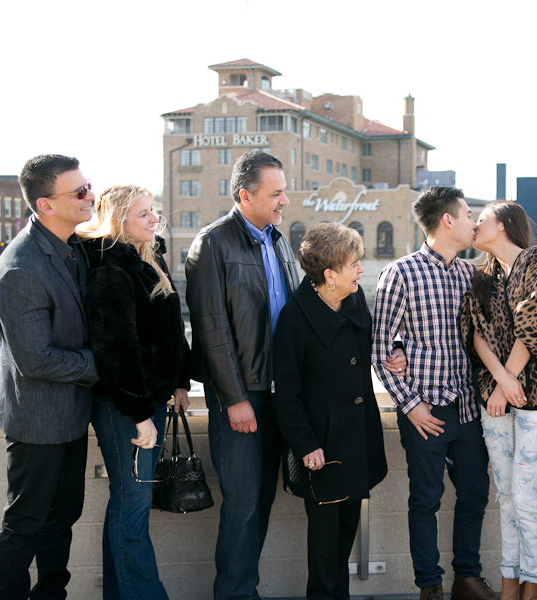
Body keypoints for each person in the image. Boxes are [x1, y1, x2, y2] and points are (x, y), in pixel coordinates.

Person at [185, 150, 301, 600]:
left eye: (284, 191)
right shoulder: (212, 242)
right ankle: (234, 594)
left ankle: (243, 590)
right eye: (275, 193)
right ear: (244, 195)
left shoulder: (278, 239)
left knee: (263, 501)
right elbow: (211, 328)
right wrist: (233, 398)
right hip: (242, 396)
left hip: (278, 393)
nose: (284, 201)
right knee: (242, 504)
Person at [373, 186, 498, 600]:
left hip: (467, 409)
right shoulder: (400, 273)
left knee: (475, 495)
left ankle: (467, 576)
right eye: (467, 215)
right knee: (424, 500)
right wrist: (411, 406)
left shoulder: (470, 275)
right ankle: (430, 585)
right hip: (424, 411)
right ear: (447, 220)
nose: (474, 223)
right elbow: (379, 349)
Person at [0, 154, 99, 599]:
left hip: (71, 414)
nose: (90, 196)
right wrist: (103, 365)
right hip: (36, 420)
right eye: (79, 192)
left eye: (88, 185)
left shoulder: (72, 246)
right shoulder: (21, 268)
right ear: (45, 205)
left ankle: (52, 595)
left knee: (62, 518)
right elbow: (36, 360)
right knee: (26, 524)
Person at [77, 184, 192, 599]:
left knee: (128, 505)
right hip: (124, 408)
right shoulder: (111, 268)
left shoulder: (147, 256)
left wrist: (181, 379)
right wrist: (139, 413)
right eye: (143, 214)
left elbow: (169, 331)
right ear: (118, 220)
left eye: (153, 211)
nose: (153, 219)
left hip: (149, 401)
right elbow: (116, 347)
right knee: (132, 508)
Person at [271, 223, 390, 600]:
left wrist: (397, 349)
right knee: (324, 551)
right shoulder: (295, 318)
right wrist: (306, 445)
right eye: (354, 263)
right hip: (321, 450)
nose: (361, 269)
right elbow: (285, 394)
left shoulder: (354, 301)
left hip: (356, 442)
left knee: (344, 539)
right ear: (329, 275)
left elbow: (375, 344)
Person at [459, 201, 537, 600]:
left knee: (525, 494)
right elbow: (475, 334)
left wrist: (509, 380)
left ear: (503, 225)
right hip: (496, 397)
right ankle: (509, 581)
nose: (474, 225)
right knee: (505, 497)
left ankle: (534, 582)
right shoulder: (482, 275)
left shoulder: (536, 261)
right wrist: (501, 382)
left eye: (481, 218)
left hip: (534, 395)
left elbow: (536, 324)